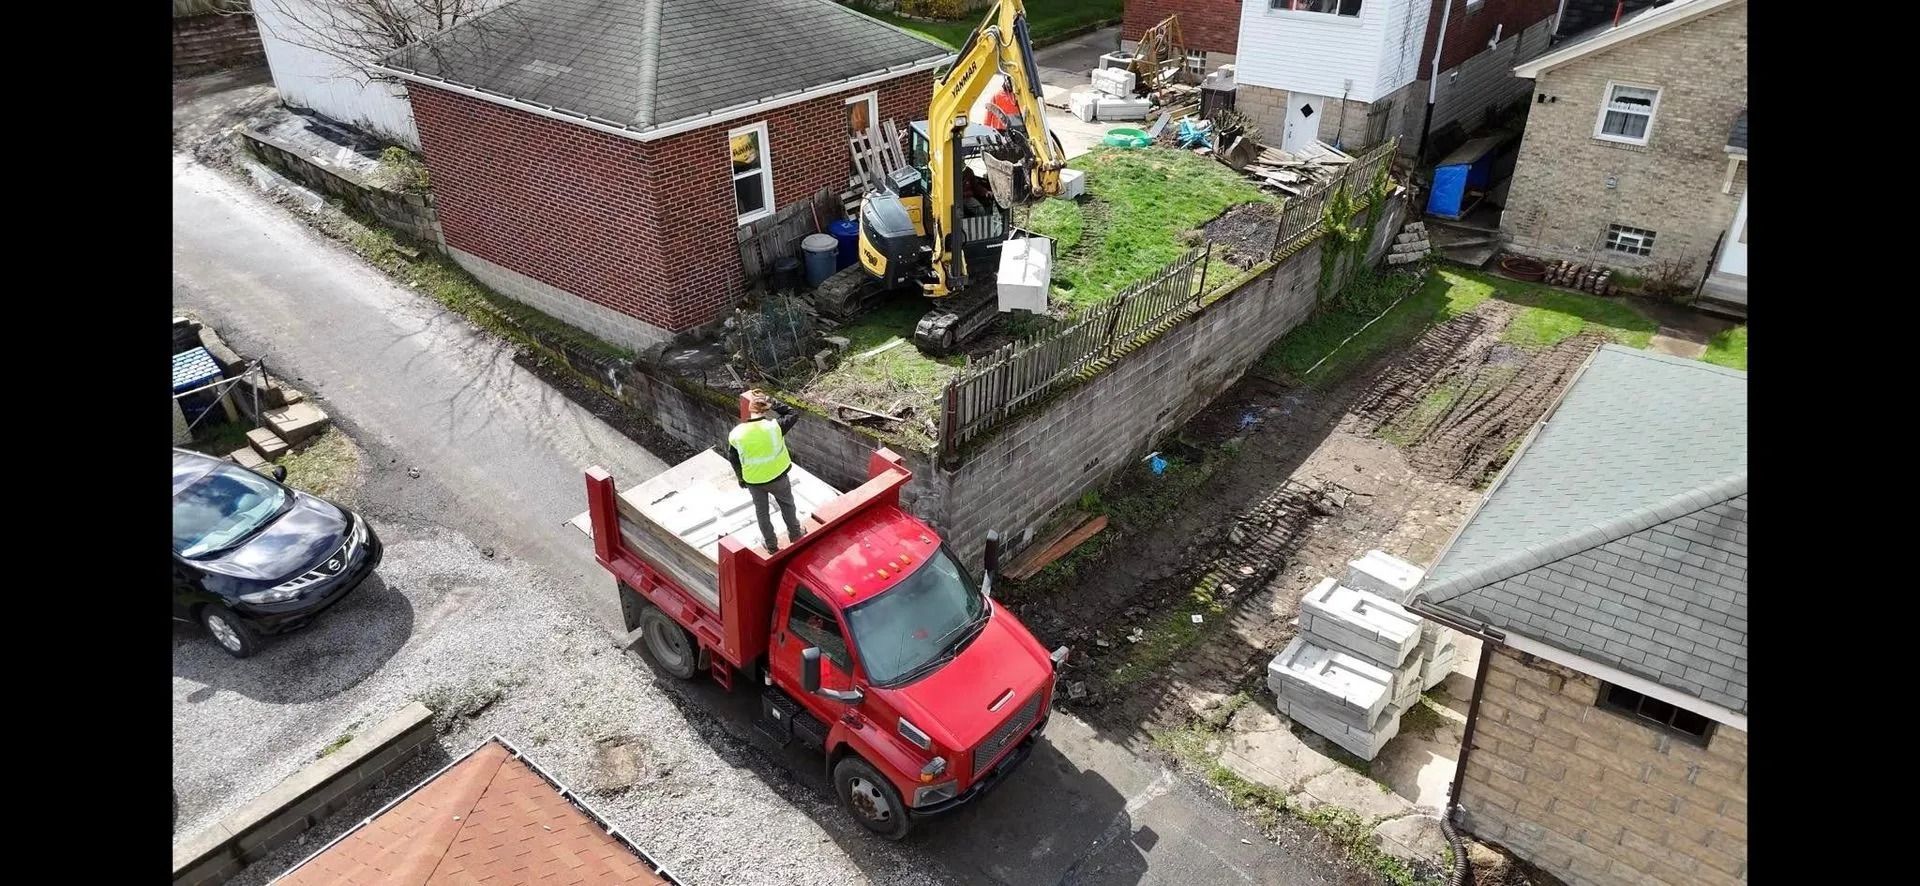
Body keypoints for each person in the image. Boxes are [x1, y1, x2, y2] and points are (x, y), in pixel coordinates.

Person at [726, 390, 806, 553]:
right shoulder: (774, 427)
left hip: (754, 481)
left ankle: (771, 545)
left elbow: (733, 458)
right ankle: (796, 535)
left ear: (750, 409)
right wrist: (774, 402)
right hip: (778, 476)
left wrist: (741, 479)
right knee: (787, 505)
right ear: (766, 409)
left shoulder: (737, 434)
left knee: (762, 513)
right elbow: (793, 413)